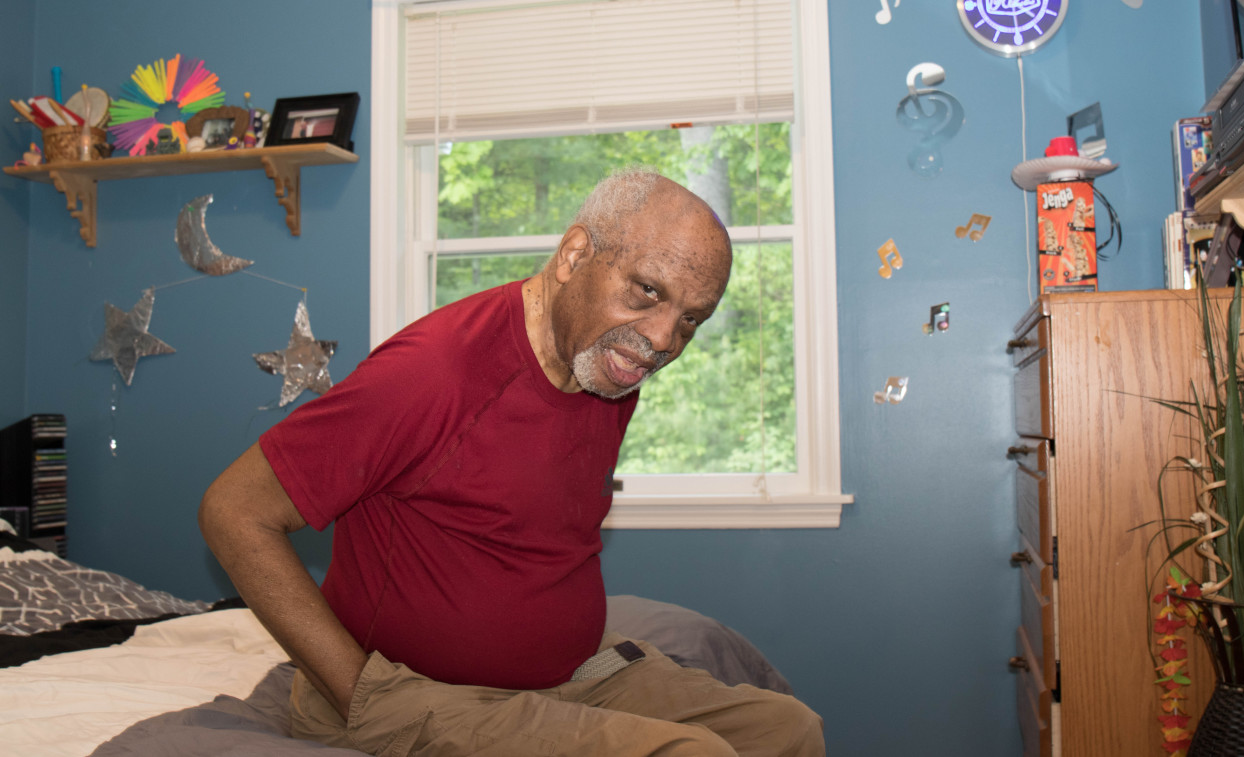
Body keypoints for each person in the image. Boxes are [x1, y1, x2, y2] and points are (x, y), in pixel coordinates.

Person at [199, 168, 825, 757]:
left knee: (788, 730)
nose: (663, 340)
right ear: (574, 255)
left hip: (569, 679)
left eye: (690, 319)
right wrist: (357, 691)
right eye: (647, 291)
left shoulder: (607, 369)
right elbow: (234, 511)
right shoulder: (433, 372)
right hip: (419, 691)